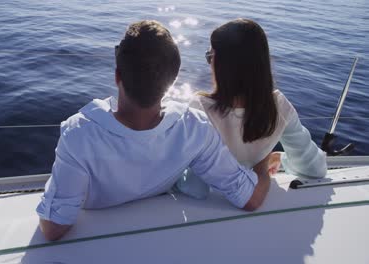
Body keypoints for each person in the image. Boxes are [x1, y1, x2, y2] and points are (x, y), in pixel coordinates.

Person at [36, 20, 271, 241]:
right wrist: (262, 167)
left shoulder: (78, 134)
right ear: (172, 81)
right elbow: (250, 199)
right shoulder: (194, 128)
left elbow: (53, 228)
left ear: (118, 75)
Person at [177, 18, 327, 199]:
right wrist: (279, 158)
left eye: (210, 56)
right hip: (255, 205)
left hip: (207, 210)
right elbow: (315, 170)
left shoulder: (198, 109)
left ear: (221, 64)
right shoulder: (279, 106)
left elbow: (188, 185)